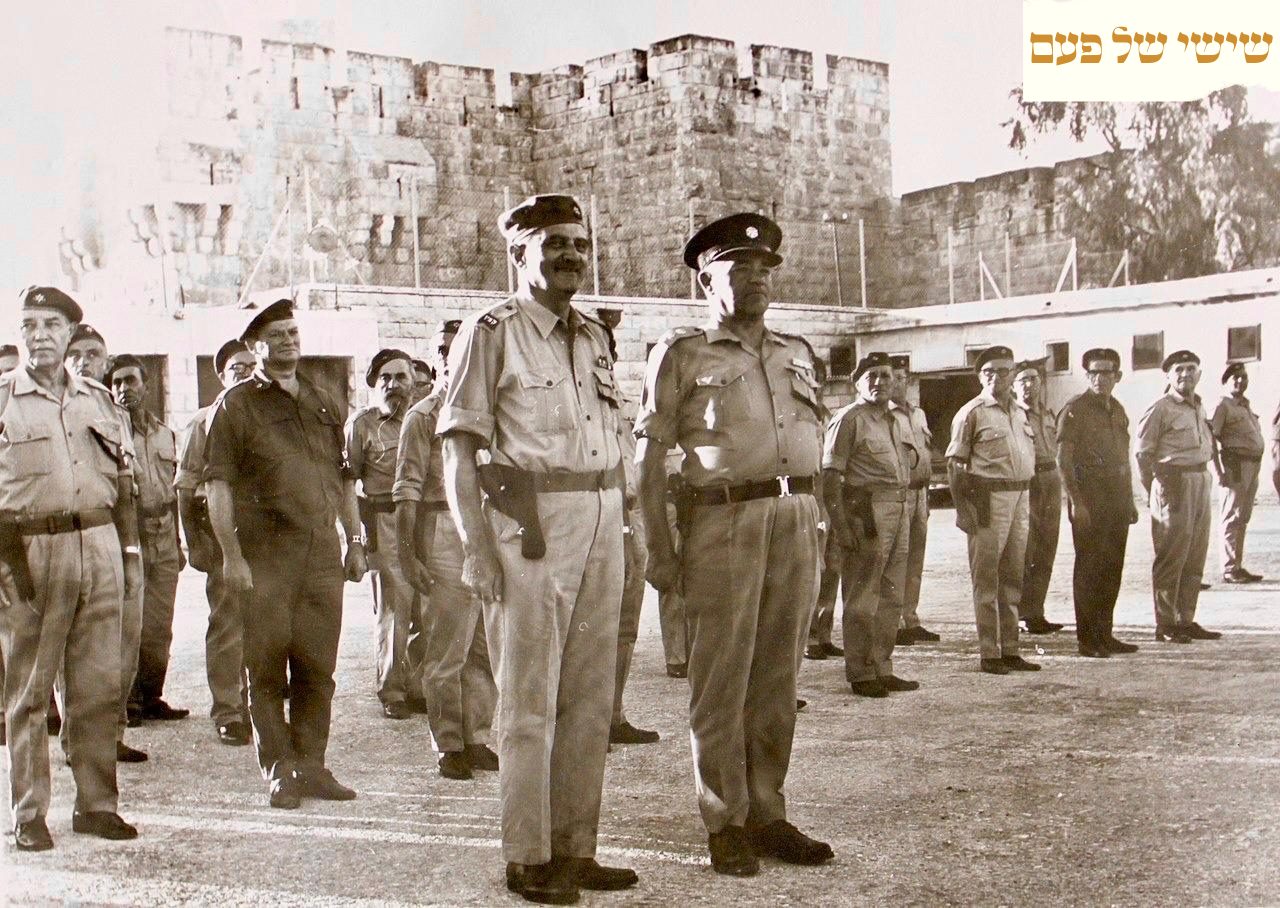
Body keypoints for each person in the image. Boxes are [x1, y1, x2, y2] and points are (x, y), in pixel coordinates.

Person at [439, 194, 637, 904]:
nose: (569, 256)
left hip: (601, 514)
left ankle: (575, 849)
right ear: (519, 253)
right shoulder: (491, 331)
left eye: (579, 245)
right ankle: (528, 856)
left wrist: (625, 521)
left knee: (589, 696)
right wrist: (476, 550)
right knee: (527, 699)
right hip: (529, 527)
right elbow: (459, 451)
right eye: (553, 244)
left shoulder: (594, 335)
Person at [637, 212, 833, 878]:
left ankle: (767, 812)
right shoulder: (682, 353)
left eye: (763, 268)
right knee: (721, 678)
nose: (754, 279)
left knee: (778, 676)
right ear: (705, 280)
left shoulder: (796, 353)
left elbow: (816, 452)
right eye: (737, 267)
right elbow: (649, 456)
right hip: (722, 521)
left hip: (794, 515)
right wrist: (657, 546)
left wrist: (819, 522)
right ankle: (724, 820)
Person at [204, 298, 368, 809]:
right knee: (268, 667)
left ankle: (313, 765)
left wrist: (356, 540)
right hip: (266, 557)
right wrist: (231, 555)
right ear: (255, 346)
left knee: (318, 667)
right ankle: (279, 768)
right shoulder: (236, 405)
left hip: (321, 554)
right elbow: (218, 487)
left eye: (293, 332)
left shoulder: (322, 400)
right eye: (276, 335)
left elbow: (344, 481)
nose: (288, 342)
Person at [1, 286, 141, 851]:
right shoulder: (3, 401)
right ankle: (30, 813)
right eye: (28, 324)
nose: (39, 335)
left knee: (98, 686)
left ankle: (96, 805)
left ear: (70, 334)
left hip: (100, 543)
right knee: (30, 692)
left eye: (51, 324)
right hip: (30, 552)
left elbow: (125, 484)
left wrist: (130, 555)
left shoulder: (100, 401)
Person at [396, 320, 498, 780]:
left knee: (483, 645)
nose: (447, 358)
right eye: (440, 351)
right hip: (442, 527)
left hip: (490, 525)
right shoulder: (422, 416)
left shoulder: (491, 407)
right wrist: (408, 554)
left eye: (455, 349)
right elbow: (407, 492)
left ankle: (476, 735)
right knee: (447, 645)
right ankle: (448, 742)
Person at [823, 352, 919, 698]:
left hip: (899, 506)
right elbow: (830, 477)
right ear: (857, 382)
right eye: (871, 376)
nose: (880, 382)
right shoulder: (849, 419)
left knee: (892, 593)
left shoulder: (894, 420)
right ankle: (861, 672)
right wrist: (842, 526)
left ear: (895, 381)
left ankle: (882, 665)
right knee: (863, 594)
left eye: (886, 375)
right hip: (866, 511)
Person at [175, 339, 256, 745]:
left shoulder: (266, 417)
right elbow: (186, 487)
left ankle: (258, 705)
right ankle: (228, 709)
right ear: (221, 376)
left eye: (249, 366)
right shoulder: (203, 421)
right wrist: (194, 542)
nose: (244, 372)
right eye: (235, 368)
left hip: (266, 534)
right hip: (222, 532)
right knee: (227, 624)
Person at [946, 345, 1041, 676]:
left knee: (1013, 575)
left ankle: (1010, 649)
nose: (997, 378)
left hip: (1019, 497)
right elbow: (955, 465)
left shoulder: (1019, 412)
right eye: (989, 372)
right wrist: (962, 509)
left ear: (1013, 375)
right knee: (986, 577)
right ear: (980, 377)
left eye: (1004, 371)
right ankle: (990, 652)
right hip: (987, 497)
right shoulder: (972, 413)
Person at [105, 354, 188, 722]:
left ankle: (152, 696)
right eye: (117, 383)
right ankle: (129, 701)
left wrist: (181, 541)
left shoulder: (165, 433)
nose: (124, 389)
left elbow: (178, 489)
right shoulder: (109, 433)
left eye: (131, 381)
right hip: (130, 532)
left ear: (146, 385)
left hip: (165, 531)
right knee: (129, 624)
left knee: (160, 623)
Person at [347, 348, 418, 720]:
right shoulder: (362, 425)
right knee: (395, 605)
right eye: (384, 379)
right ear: (375, 385)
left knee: (427, 602)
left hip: (424, 519)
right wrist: (357, 541)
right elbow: (346, 484)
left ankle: (417, 685)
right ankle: (392, 688)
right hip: (385, 521)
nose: (393, 385)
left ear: (414, 381)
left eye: (400, 377)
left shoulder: (425, 418)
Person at [1056, 348, 1140, 658]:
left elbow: (1124, 460)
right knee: (1090, 567)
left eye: (1106, 372)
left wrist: (1129, 500)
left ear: (1117, 376)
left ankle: (1105, 633)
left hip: (1116, 500)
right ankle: (1088, 640)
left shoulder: (1117, 410)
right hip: (1089, 498)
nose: (1099, 378)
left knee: (1112, 567)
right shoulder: (1075, 409)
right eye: (1093, 372)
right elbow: (1063, 460)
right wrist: (1077, 502)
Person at [1136, 350, 1221, 643]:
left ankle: (1186, 619)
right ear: (1168, 376)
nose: (1185, 374)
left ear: (1199, 373)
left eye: (1191, 368)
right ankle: (1166, 623)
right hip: (1174, 482)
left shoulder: (1199, 406)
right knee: (1171, 555)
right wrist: (1156, 489)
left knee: (1195, 553)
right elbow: (1142, 453)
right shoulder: (1160, 408)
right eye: (1179, 370)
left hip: (1200, 478)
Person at [889, 354, 940, 645]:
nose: (901, 383)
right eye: (895, 377)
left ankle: (911, 618)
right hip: (899, 493)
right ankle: (893, 622)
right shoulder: (886, 414)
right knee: (897, 556)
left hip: (921, 491)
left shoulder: (917, 414)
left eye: (904, 378)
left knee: (916, 558)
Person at [1012, 360, 1065, 635]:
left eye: (1033, 379)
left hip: (1050, 479)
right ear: (1013, 386)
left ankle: (1036, 611)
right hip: (1028, 481)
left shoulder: (1047, 414)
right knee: (1026, 547)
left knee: (1047, 546)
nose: (1029, 385)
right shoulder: (1013, 414)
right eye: (1022, 380)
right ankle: (1020, 613)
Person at [1210, 362, 1265, 584]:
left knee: (1243, 517)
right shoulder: (1223, 405)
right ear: (1226, 381)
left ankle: (1237, 565)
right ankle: (1229, 568)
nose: (1240, 381)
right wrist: (1219, 472)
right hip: (1236, 467)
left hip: (1252, 467)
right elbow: (1212, 438)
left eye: (1243, 377)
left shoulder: (1245, 406)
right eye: (1235, 377)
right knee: (1231, 517)